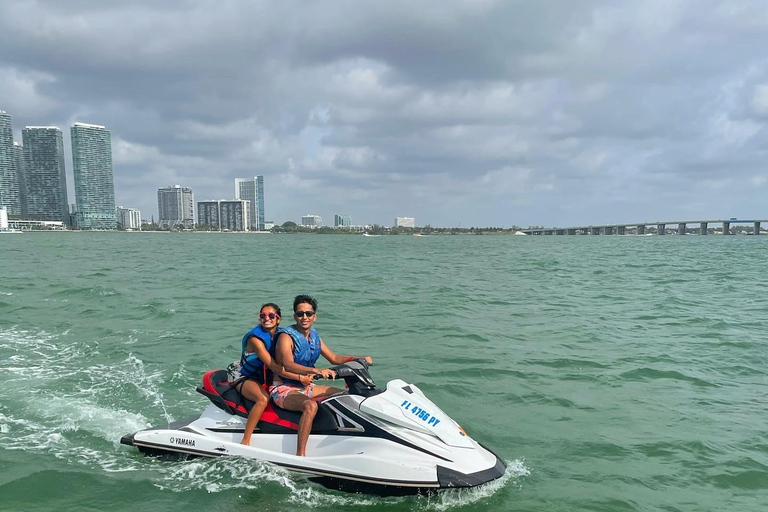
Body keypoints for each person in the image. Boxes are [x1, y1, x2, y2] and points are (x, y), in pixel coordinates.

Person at [271, 294, 373, 456]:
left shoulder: (314, 336)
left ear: (314, 316)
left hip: (306, 386)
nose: (304, 317)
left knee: (344, 396)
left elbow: (333, 358)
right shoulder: (286, 336)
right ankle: (300, 455)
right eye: (300, 314)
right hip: (284, 389)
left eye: (308, 314)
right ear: (295, 316)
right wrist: (317, 371)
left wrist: (357, 359)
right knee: (310, 406)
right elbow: (288, 364)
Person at [236, 302, 313, 446]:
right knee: (263, 399)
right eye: (262, 316)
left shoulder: (281, 335)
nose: (267, 318)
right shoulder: (256, 340)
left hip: (263, 377)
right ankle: (245, 440)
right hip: (243, 376)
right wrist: (300, 377)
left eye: (271, 315)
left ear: (278, 319)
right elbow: (276, 368)